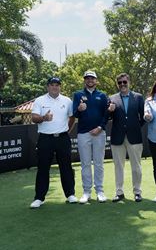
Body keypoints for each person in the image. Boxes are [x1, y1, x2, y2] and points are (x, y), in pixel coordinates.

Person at [30, 77, 77, 208]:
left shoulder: (67, 100)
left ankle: (70, 195)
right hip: (45, 138)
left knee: (66, 167)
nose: (55, 87)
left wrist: (67, 130)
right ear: (48, 87)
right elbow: (34, 118)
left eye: (57, 85)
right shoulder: (40, 100)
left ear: (60, 87)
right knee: (43, 168)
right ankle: (39, 197)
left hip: (62, 138)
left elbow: (72, 117)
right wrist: (44, 118)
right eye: (52, 85)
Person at [108, 73, 145, 203]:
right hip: (117, 137)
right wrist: (110, 111)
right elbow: (108, 117)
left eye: (124, 82)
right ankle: (119, 192)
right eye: (120, 83)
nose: (122, 85)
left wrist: (133, 126)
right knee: (118, 166)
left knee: (136, 167)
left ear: (129, 82)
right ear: (117, 84)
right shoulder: (112, 98)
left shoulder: (139, 97)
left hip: (134, 136)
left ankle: (137, 192)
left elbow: (143, 117)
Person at [73, 71, 109, 204]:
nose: (90, 80)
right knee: (85, 164)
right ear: (84, 80)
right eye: (87, 78)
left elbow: (107, 114)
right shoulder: (78, 95)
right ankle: (86, 191)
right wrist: (80, 109)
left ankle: (99, 190)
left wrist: (100, 127)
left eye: (92, 78)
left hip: (99, 133)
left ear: (96, 80)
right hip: (83, 133)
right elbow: (75, 114)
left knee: (99, 163)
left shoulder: (102, 95)